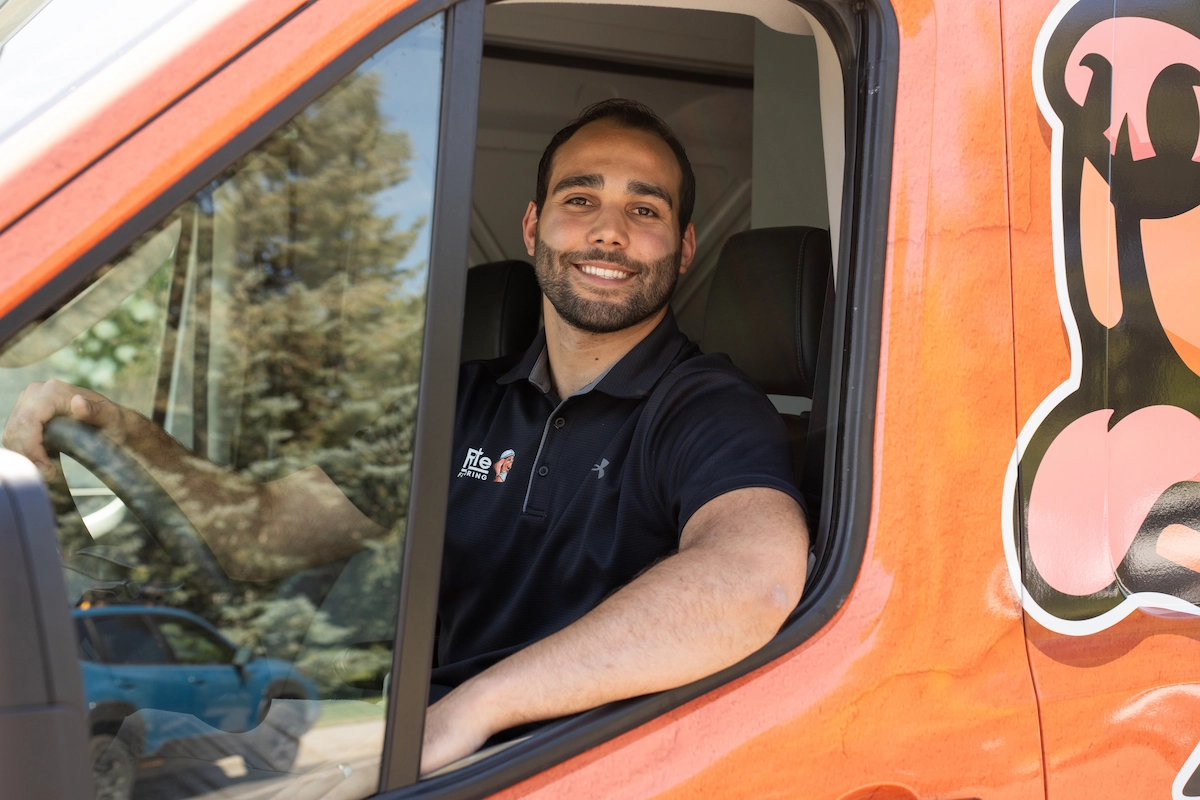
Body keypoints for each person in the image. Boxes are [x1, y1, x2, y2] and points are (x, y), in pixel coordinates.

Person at [3, 99, 809, 775]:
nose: (608, 233)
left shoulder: (707, 407)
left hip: (570, 765)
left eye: (645, 209)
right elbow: (260, 534)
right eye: (580, 199)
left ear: (684, 247)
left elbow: (753, 582)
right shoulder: (460, 399)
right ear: (533, 225)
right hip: (421, 746)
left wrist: (474, 709)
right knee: (147, 754)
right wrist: (120, 430)